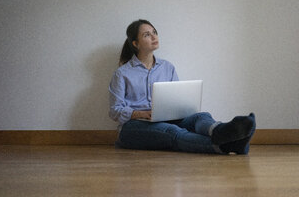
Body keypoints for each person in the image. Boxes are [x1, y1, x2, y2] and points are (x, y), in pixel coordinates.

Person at [108, 19, 256, 154]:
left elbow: (176, 100)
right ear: (136, 43)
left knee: (200, 116)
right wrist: (142, 114)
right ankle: (228, 145)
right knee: (172, 131)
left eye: (155, 32)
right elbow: (115, 111)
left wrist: (180, 109)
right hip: (133, 128)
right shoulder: (122, 74)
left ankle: (219, 131)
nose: (154, 37)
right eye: (147, 35)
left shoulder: (167, 67)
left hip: (164, 120)